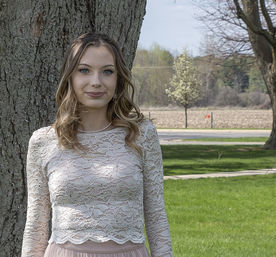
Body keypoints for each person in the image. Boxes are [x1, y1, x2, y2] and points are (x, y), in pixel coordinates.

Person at [21, 32, 173, 257]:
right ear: (70, 77)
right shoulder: (43, 142)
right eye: (84, 70)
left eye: (107, 72)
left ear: (118, 78)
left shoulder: (141, 135)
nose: (96, 82)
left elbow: (156, 215)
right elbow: (36, 225)